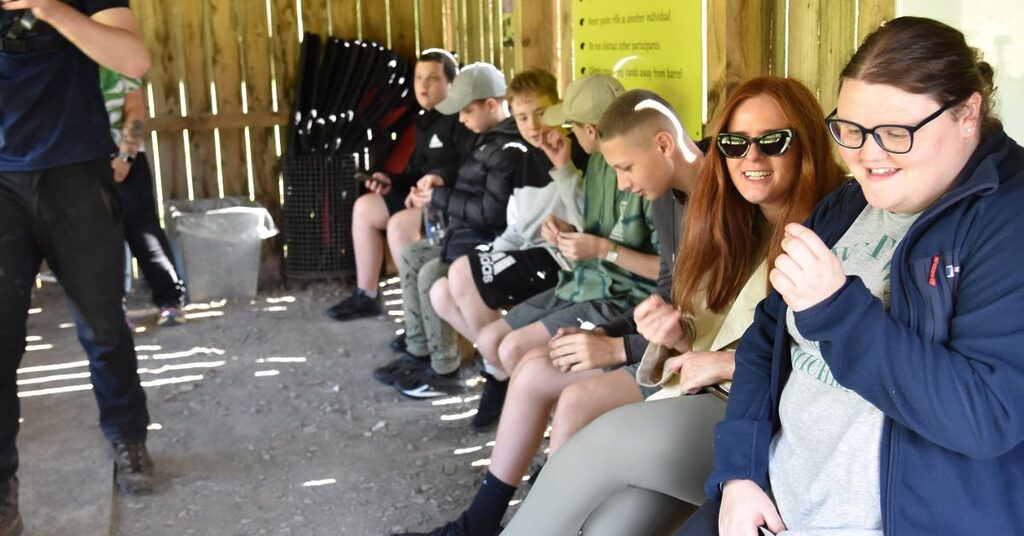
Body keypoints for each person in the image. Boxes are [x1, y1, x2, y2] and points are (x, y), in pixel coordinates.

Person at [685, 17, 1024, 536]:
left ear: (967, 114)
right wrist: (741, 474)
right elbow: (766, 341)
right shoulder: (845, 206)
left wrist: (837, 310)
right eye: (849, 129)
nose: (866, 155)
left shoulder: (1008, 220)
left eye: (894, 133)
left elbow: (986, 416)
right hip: (773, 500)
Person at [502, 76, 844, 536]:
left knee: (598, 442)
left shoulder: (835, 227)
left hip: (762, 419)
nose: (752, 157)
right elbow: (702, 318)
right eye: (734, 143)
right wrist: (676, 337)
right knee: (611, 527)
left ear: (807, 143)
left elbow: (830, 361)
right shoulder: (734, 217)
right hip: (709, 396)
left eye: (773, 141)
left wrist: (717, 362)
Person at [0, 1, 157, 533]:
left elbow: (134, 61)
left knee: (103, 325)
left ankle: (128, 437)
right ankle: (3, 490)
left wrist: (49, 9)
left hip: (75, 171)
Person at [466, 76, 663, 433]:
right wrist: (570, 231)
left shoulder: (641, 174)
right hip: (583, 281)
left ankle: (556, 430)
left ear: (591, 129)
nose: (567, 132)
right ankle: (545, 424)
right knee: (494, 341)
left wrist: (605, 250)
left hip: (618, 297)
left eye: (571, 125)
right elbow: (594, 227)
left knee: (514, 351)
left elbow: (668, 272)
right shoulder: (599, 163)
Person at [427, 68, 589, 430]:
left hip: (563, 260)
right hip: (529, 255)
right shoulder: (525, 159)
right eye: (521, 116)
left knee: (461, 273)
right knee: (441, 292)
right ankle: (501, 369)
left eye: (542, 112)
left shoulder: (577, 153)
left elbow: (587, 225)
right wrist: (490, 256)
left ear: (559, 107)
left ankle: (498, 380)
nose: (533, 125)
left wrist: (565, 170)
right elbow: (517, 231)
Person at [385, 62, 527, 398]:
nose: (460, 120)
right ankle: (419, 351)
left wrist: (440, 195)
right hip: (463, 236)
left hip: (483, 244)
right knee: (411, 255)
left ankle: (445, 368)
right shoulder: (484, 138)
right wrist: (442, 181)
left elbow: (491, 215)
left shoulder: (506, 147)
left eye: (465, 111)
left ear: (491, 105)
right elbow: (472, 184)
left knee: (430, 275)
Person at [327, 49, 475, 322]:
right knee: (365, 207)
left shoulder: (462, 118)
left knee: (399, 225)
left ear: (451, 84)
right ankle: (367, 295)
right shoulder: (424, 121)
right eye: (419, 78)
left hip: (451, 202)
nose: (423, 85)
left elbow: (471, 168)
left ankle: (416, 317)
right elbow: (418, 170)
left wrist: (439, 184)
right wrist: (391, 181)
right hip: (423, 196)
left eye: (432, 78)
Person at [100, 66, 188, 326]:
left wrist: (126, 156)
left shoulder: (118, 62)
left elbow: (136, 111)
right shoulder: (62, 62)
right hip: (82, 165)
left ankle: (170, 302)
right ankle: (112, 312)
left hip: (127, 159)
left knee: (144, 231)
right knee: (99, 239)